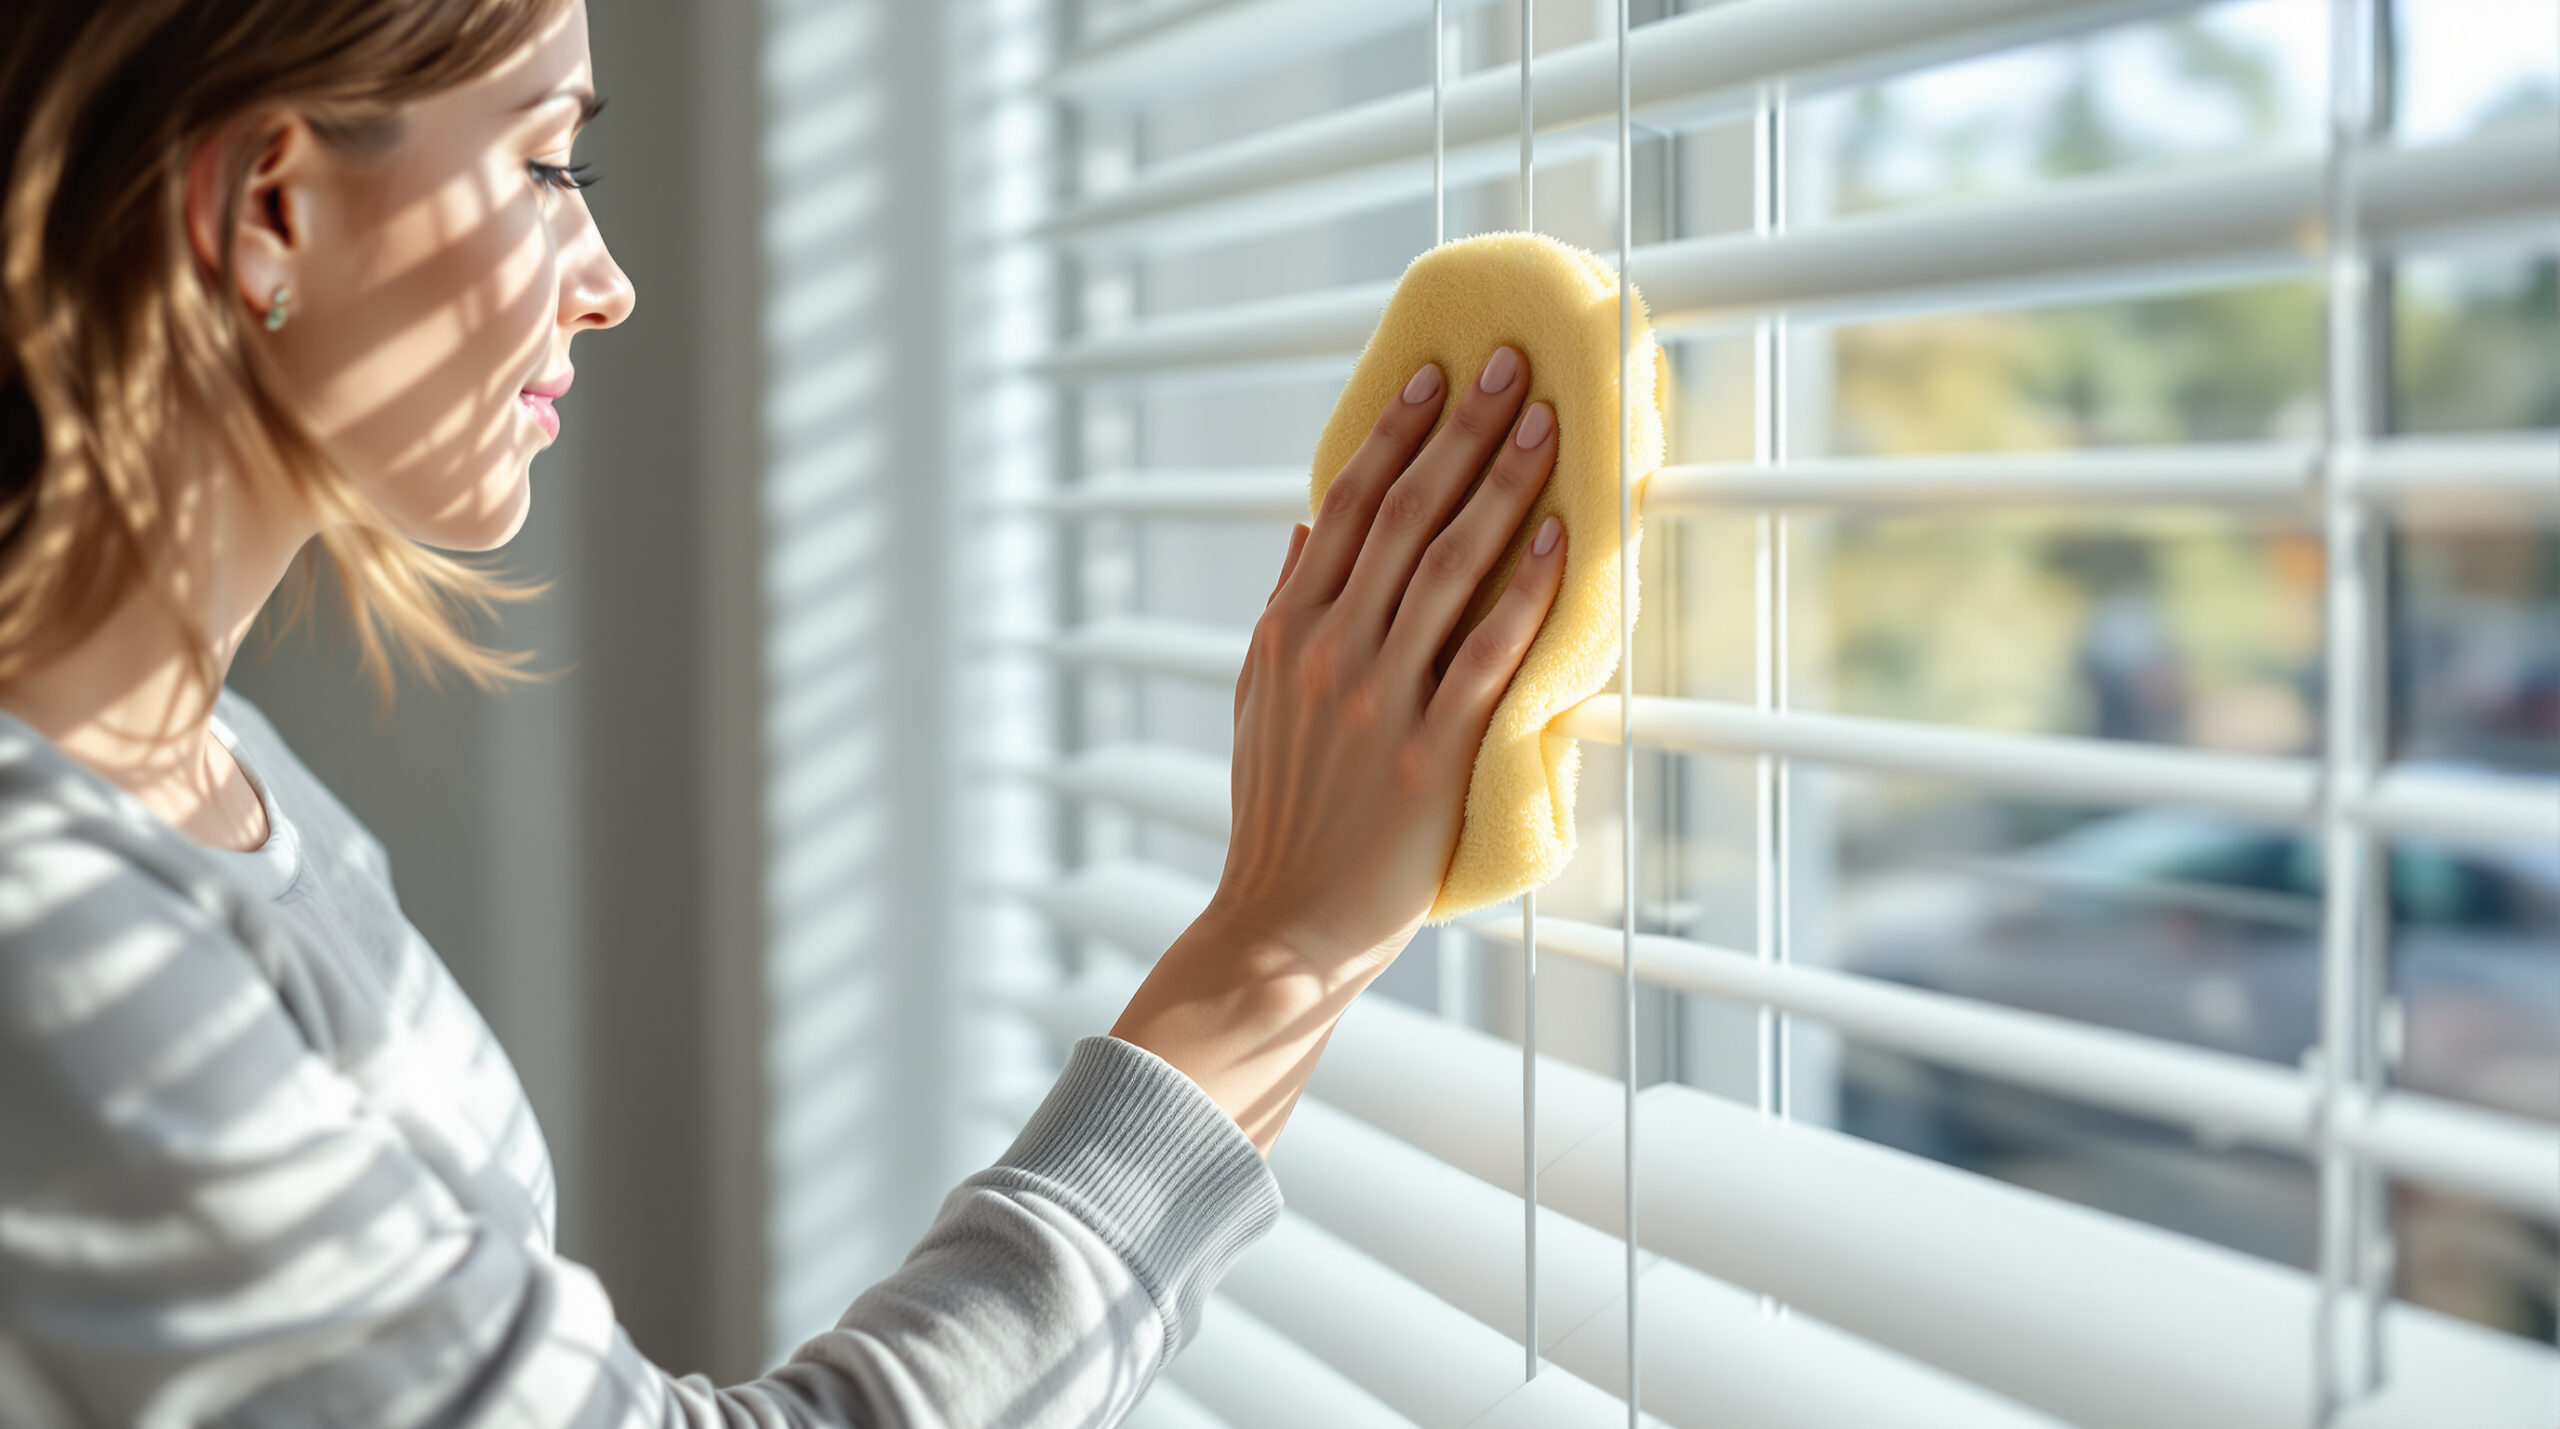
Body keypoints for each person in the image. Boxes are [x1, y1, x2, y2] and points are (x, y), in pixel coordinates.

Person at [0, 1, 1570, 1423]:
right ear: (267, 208)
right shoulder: (54, 932)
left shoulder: (208, 779)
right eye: (550, 166)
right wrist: (1272, 951)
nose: (608, 286)